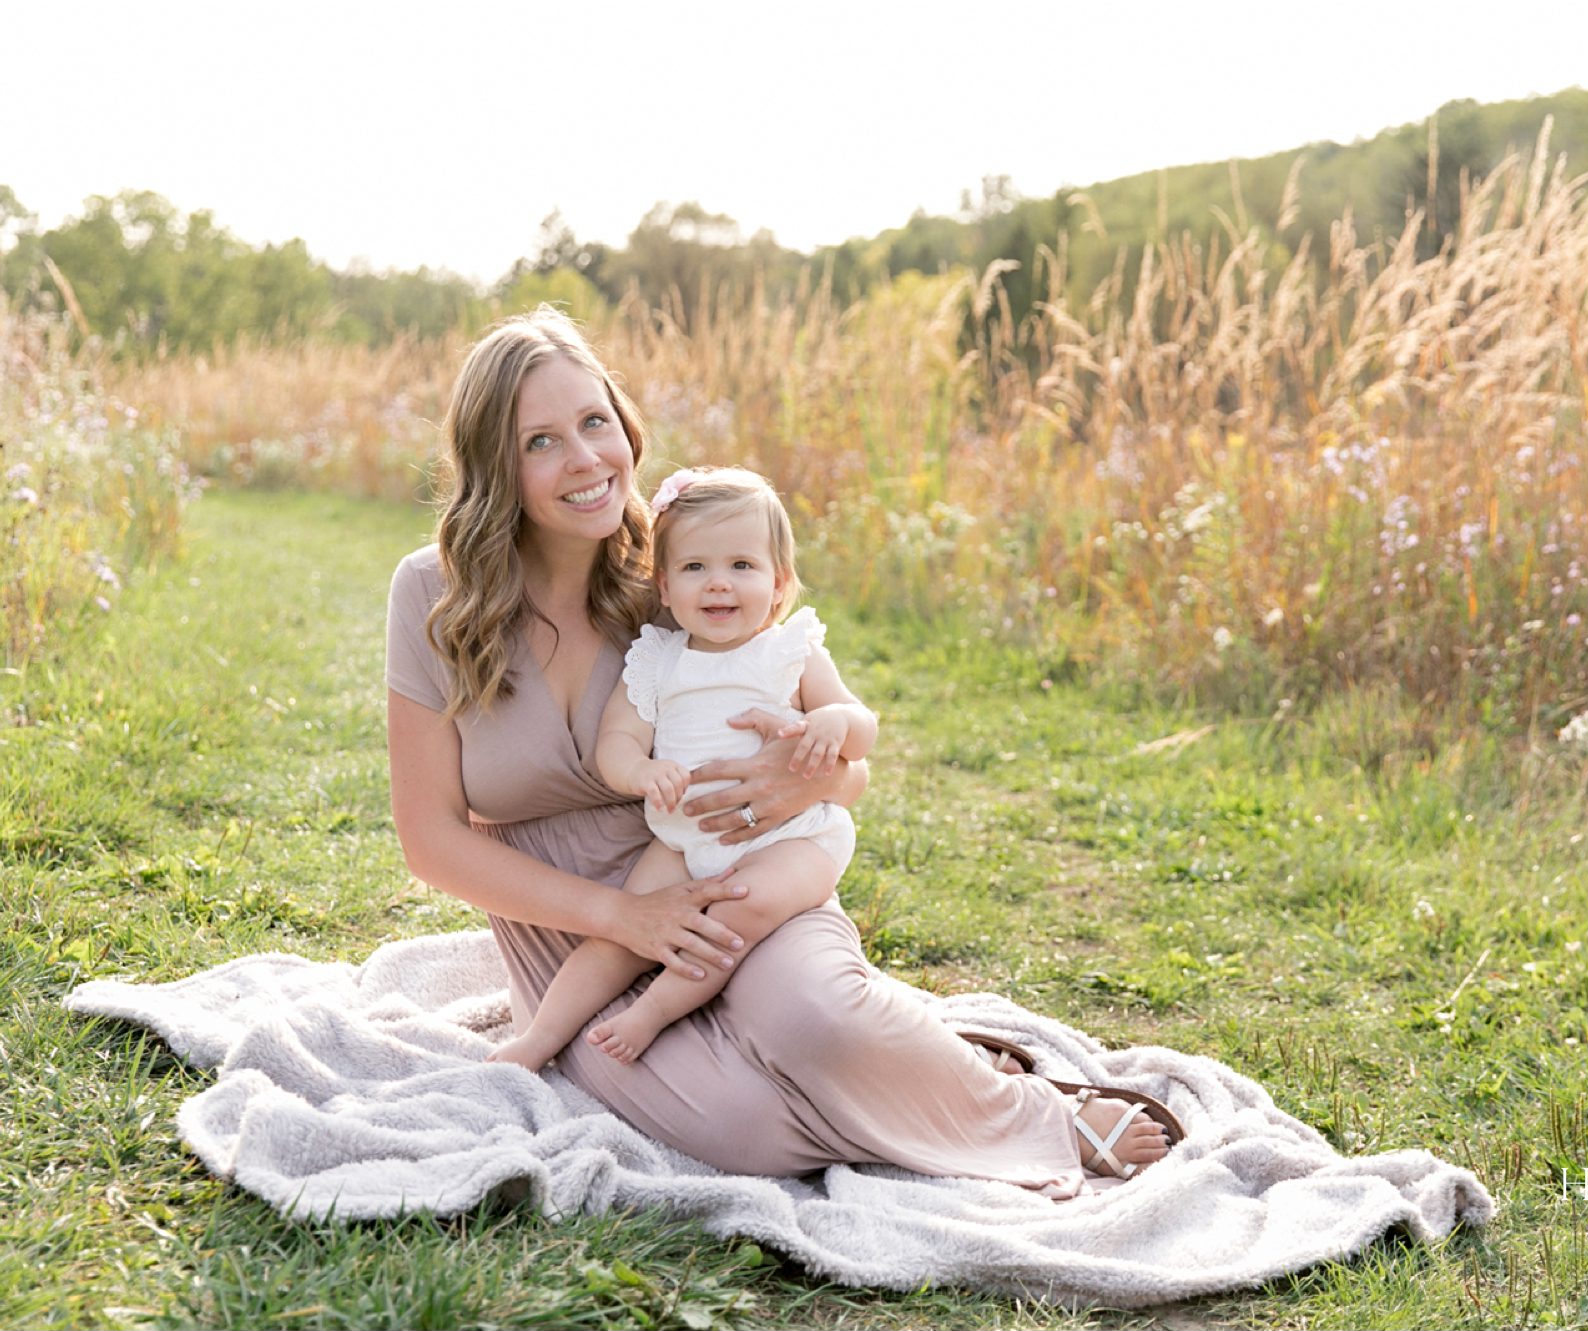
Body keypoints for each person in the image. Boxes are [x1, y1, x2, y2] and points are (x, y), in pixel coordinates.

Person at [386, 307, 1177, 1192]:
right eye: (542, 440)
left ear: (623, 423)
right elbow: (431, 839)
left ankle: (1036, 1109)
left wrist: (787, 785)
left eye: (595, 421)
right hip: (574, 932)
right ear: (498, 464)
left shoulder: (680, 568)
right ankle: (911, 1061)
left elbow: (851, 762)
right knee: (744, 1127)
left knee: (811, 1022)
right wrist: (624, 919)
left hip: (733, 867)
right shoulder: (433, 595)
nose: (585, 459)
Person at [488, 465, 874, 1069]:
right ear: (664, 587)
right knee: (620, 935)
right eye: (696, 568)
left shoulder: (792, 652)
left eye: (742, 566)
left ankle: (654, 1012)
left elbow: (860, 724)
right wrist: (638, 773)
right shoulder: (658, 660)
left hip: (790, 841)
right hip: (682, 839)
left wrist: (836, 724)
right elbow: (618, 738)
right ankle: (538, 1037)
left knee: (737, 913)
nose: (718, 584)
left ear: (780, 582)